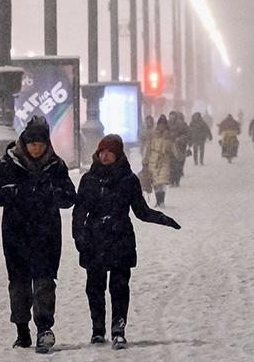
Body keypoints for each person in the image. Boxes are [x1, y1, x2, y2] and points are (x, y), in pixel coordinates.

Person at [73, 134, 181, 350]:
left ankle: (118, 329)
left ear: (118, 153)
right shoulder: (89, 180)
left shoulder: (128, 180)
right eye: (101, 151)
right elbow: (79, 211)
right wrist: (79, 236)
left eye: (109, 151)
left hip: (119, 238)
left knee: (119, 287)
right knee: (94, 287)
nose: (104, 155)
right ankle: (97, 329)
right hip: (94, 239)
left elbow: (141, 211)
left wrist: (163, 219)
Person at [0, 115, 77, 354]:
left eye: (41, 144)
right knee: (19, 283)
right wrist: (11, 192)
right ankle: (22, 331)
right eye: (33, 144)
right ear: (25, 143)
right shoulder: (7, 164)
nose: (37, 148)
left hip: (47, 234)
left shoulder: (56, 166)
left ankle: (44, 328)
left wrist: (56, 193)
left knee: (45, 282)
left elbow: (69, 197)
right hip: (16, 234)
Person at [141, 115, 175, 207]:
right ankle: (158, 200)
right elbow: (148, 148)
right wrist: (145, 160)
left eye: (163, 125)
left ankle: (162, 201)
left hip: (164, 161)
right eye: (160, 125)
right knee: (155, 182)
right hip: (153, 160)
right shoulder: (152, 135)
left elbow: (172, 149)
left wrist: (173, 153)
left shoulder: (169, 136)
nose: (162, 127)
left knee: (162, 181)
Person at [169, 111, 190, 187]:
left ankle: (177, 180)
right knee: (170, 165)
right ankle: (171, 181)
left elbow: (188, 134)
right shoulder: (166, 124)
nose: (171, 118)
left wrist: (180, 139)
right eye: (170, 116)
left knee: (178, 164)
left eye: (173, 116)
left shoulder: (182, 125)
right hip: (169, 148)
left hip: (180, 147)